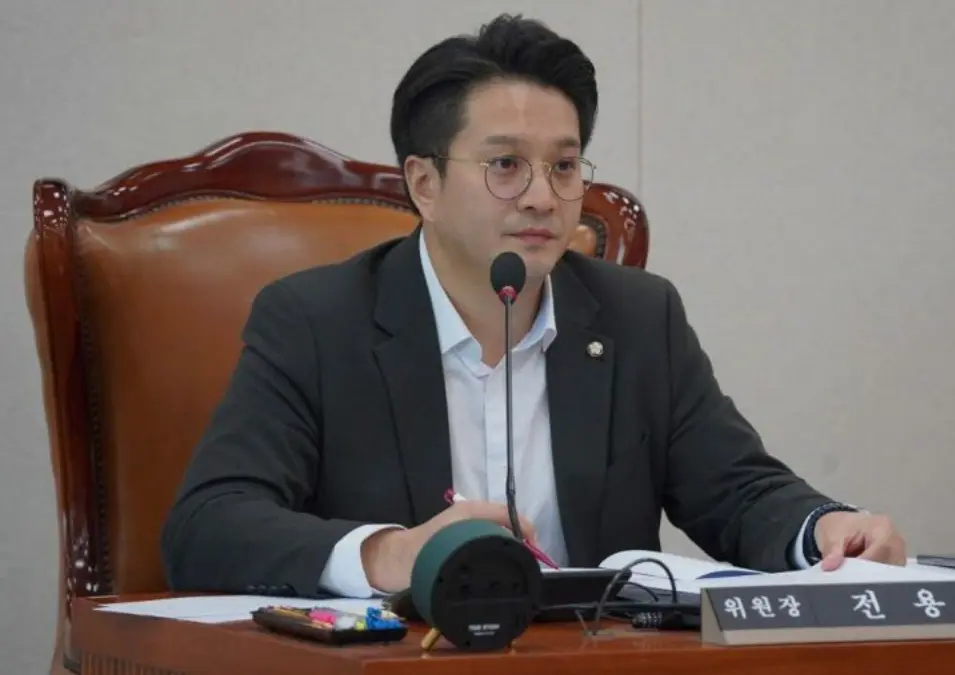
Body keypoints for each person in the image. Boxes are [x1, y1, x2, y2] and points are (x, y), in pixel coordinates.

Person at [160, 13, 906, 599]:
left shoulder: (637, 318)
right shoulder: (318, 322)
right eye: (507, 165)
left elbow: (738, 491)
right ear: (423, 184)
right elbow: (209, 524)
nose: (544, 197)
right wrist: (392, 553)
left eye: (564, 164)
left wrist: (826, 530)